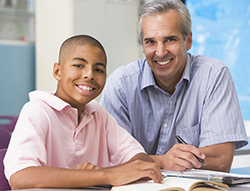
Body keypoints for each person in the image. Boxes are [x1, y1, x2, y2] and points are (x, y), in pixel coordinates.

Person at [100, 0, 248, 173]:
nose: (161, 52)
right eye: (151, 42)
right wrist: (162, 161)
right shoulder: (121, 85)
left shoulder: (213, 75)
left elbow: (221, 160)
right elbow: (108, 159)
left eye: (170, 40)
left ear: (189, 40)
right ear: (143, 45)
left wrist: (143, 161)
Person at [4, 35, 163, 190]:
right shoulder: (37, 111)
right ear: (57, 71)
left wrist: (105, 174)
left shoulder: (97, 113)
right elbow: (20, 176)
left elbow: (139, 159)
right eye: (79, 65)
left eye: (99, 69)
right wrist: (103, 175)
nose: (90, 75)